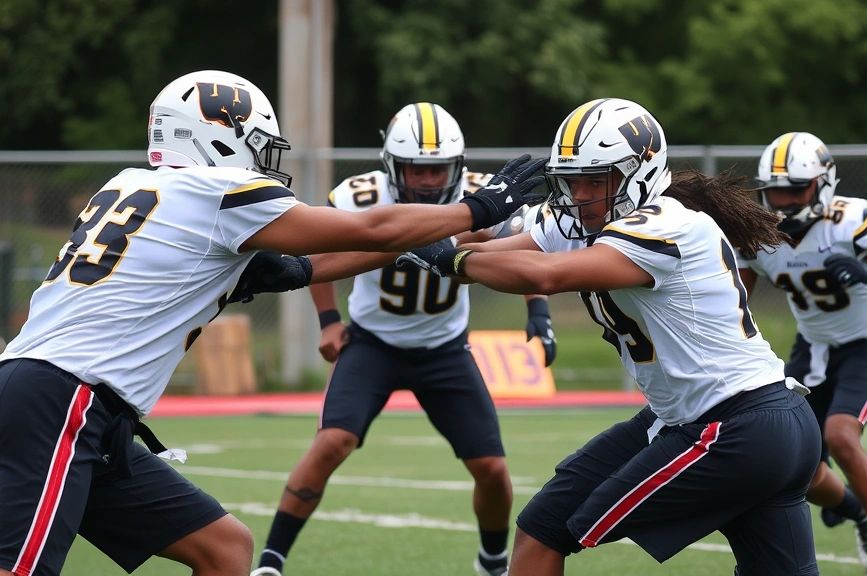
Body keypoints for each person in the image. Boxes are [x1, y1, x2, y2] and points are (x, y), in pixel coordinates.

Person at [0, 70, 545, 576]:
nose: (262, 160)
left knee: (225, 549)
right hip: (64, 397)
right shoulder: (215, 193)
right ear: (216, 137)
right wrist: (480, 209)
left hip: (77, 405)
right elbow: (372, 229)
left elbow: (301, 268)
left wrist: (435, 242)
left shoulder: (135, 188)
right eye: (258, 144)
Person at [398, 98, 824, 576]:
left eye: (595, 180)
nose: (580, 195)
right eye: (571, 180)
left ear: (637, 172)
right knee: (541, 526)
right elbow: (490, 250)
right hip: (732, 421)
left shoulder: (669, 224)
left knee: (554, 528)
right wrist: (326, 260)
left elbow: (544, 276)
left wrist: (451, 260)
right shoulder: (585, 220)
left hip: (733, 427)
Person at [250, 103, 556, 576]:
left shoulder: (483, 196)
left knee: (493, 469)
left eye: (439, 170)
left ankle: (493, 561)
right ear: (392, 165)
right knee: (331, 442)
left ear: (458, 166)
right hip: (373, 344)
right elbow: (313, 256)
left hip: (446, 349)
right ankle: (271, 562)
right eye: (418, 169)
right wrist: (329, 320)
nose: (430, 181)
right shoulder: (359, 195)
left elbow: (527, 251)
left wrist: (539, 309)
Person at [738, 132, 867, 576]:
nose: (783, 200)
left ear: (823, 183)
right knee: (793, 459)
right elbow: (734, 303)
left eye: (796, 188)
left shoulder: (846, 219)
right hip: (813, 347)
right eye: (774, 190)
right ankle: (861, 516)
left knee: (840, 436)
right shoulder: (757, 233)